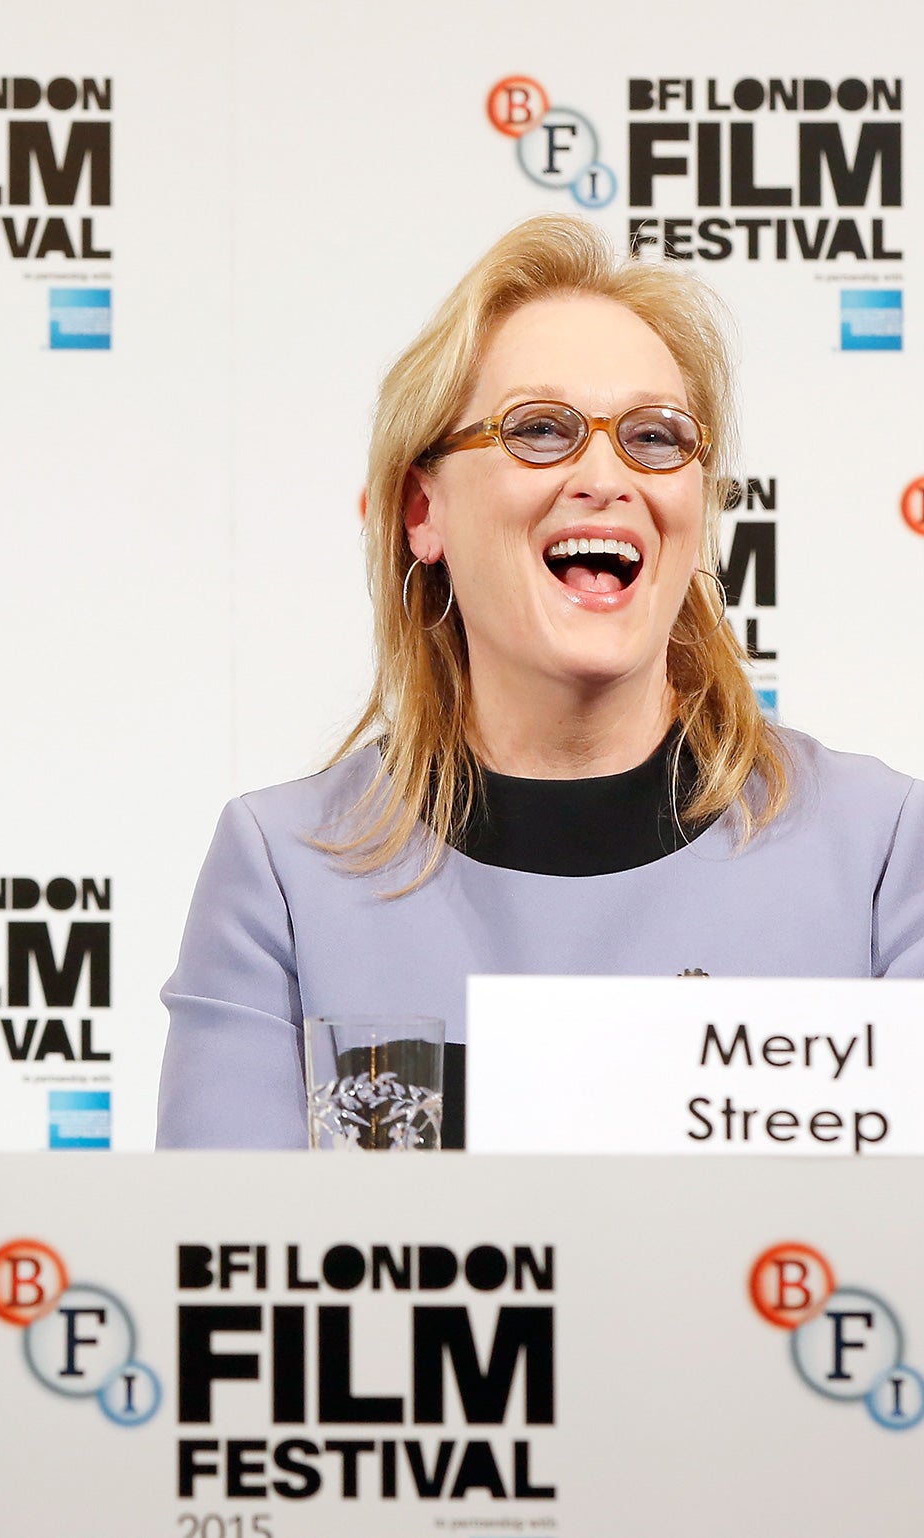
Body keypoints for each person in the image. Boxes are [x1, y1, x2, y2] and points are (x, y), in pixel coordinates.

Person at [157, 215, 924, 1149]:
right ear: (422, 509)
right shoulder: (284, 870)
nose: (606, 476)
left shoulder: (884, 851)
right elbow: (233, 1272)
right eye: (541, 431)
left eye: (653, 435)